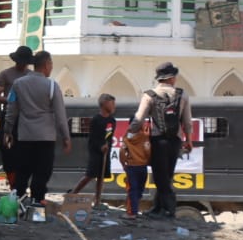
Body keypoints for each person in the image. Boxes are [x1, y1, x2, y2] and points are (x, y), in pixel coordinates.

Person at [2, 51, 71, 205]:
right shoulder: (52, 86)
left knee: (22, 172)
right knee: (42, 173)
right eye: (51, 64)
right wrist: (66, 137)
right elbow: (60, 115)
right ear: (46, 65)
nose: (51, 67)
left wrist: (8, 130)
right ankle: (37, 204)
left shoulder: (18, 84)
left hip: (25, 136)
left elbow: (11, 110)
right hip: (46, 139)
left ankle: (17, 204)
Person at [132, 62, 192, 219]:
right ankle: (158, 207)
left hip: (158, 141)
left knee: (159, 176)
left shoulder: (149, 95)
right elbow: (187, 122)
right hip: (175, 141)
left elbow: (139, 119)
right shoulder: (182, 95)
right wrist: (189, 140)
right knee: (167, 175)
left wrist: (129, 132)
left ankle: (169, 209)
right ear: (171, 78)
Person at [0, 46, 34, 189]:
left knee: (25, 153)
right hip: (9, 116)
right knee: (8, 152)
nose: (23, 64)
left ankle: (21, 185)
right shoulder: (5, 74)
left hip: (26, 118)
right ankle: (13, 184)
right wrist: (13, 101)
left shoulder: (31, 76)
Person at [71, 94, 118, 196]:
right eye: (112, 104)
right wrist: (100, 146)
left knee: (101, 177)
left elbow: (109, 136)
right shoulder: (96, 120)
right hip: (95, 152)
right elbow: (93, 138)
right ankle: (73, 194)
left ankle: (97, 200)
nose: (114, 106)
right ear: (105, 104)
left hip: (105, 153)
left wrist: (107, 146)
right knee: (90, 175)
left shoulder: (112, 121)